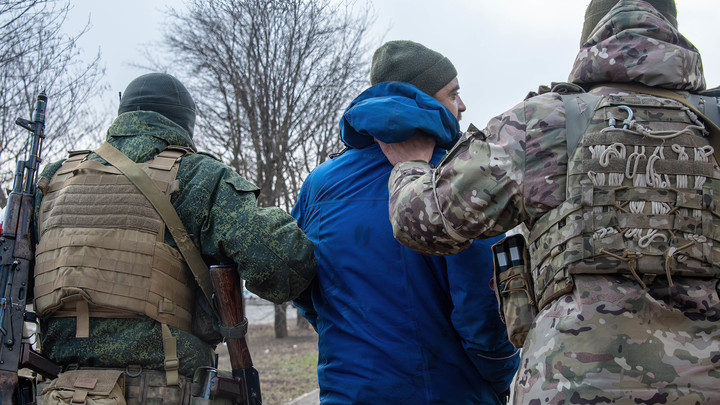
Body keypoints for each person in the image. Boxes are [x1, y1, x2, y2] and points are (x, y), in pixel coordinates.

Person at [381, 1, 720, 404]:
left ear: (592, 35)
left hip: (570, 385)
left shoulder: (543, 123)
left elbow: (422, 221)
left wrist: (412, 167)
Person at [33, 73, 317, 403]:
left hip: (56, 393)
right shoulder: (197, 176)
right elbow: (287, 267)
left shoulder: (54, 181)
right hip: (162, 392)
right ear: (184, 123)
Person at [292, 40, 519, 405]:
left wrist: (349, 333)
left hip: (348, 393)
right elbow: (482, 308)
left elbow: (301, 284)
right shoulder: (459, 177)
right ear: (422, 99)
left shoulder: (319, 184)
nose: (462, 105)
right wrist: (500, 376)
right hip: (450, 392)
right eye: (453, 93)